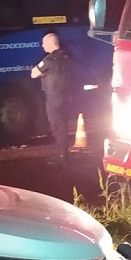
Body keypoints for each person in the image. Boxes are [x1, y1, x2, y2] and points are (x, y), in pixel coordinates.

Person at [30, 30, 75, 164]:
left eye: (44, 43)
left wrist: (40, 72)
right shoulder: (67, 57)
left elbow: (33, 73)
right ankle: (64, 153)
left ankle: (62, 156)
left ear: (51, 43)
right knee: (64, 125)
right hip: (67, 97)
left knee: (57, 126)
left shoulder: (49, 60)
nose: (42, 46)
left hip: (54, 98)